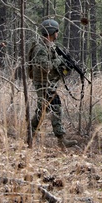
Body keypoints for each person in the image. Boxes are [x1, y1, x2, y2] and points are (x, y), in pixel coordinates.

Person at [26, 18, 77, 148]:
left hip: (49, 83)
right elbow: (45, 67)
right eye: (56, 31)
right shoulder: (40, 48)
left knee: (49, 109)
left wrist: (66, 66)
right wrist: (59, 62)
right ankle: (33, 136)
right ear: (51, 32)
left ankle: (55, 138)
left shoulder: (51, 46)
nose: (57, 34)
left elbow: (55, 66)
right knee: (48, 110)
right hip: (43, 84)